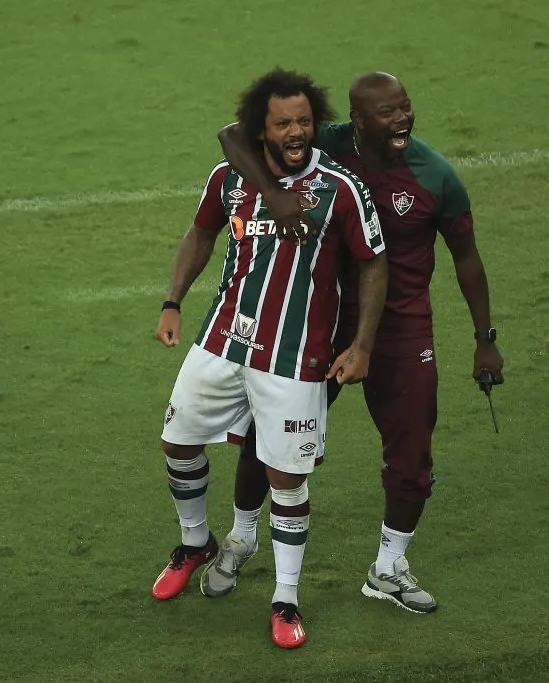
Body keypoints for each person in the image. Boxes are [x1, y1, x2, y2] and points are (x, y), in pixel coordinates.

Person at [204, 71, 505, 614]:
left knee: (413, 452)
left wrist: (485, 339)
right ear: (357, 122)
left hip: (402, 328)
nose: (402, 120)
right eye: (387, 113)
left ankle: (388, 567)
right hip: (318, 320)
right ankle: (243, 534)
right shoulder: (331, 142)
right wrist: (272, 193)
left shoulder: (436, 177)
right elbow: (233, 135)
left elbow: (468, 258)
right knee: (265, 435)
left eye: (405, 108)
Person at [152, 68, 388, 649]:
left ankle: (285, 600)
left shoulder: (339, 187)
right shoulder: (230, 177)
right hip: (223, 339)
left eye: (304, 121)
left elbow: (374, 263)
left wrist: (361, 345)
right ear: (262, 126)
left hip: (296, 358)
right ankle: (196, 541)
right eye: (283, 122)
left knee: (288, 477)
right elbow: (202, 233)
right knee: (178, 441)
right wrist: (172, 301)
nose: (296, 131)